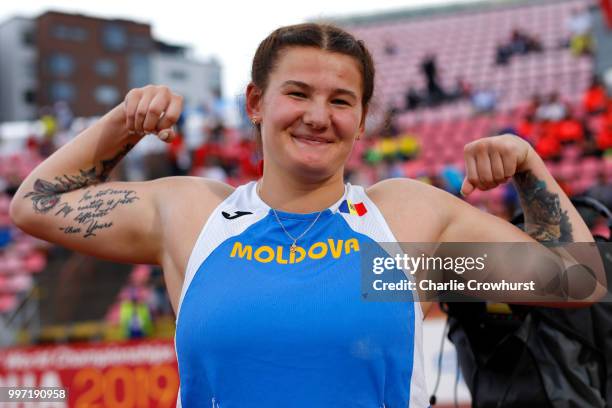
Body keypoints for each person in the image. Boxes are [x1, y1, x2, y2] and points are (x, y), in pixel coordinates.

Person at [8, 23, 605, 407]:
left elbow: (576, 281)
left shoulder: (403, 222)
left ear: (363, 119)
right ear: (256, 103)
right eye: (298, 93)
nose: (318, 115)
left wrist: (529, 168)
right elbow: (37, 206)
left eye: (340, 100)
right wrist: (122, 122)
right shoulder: (194, 217)